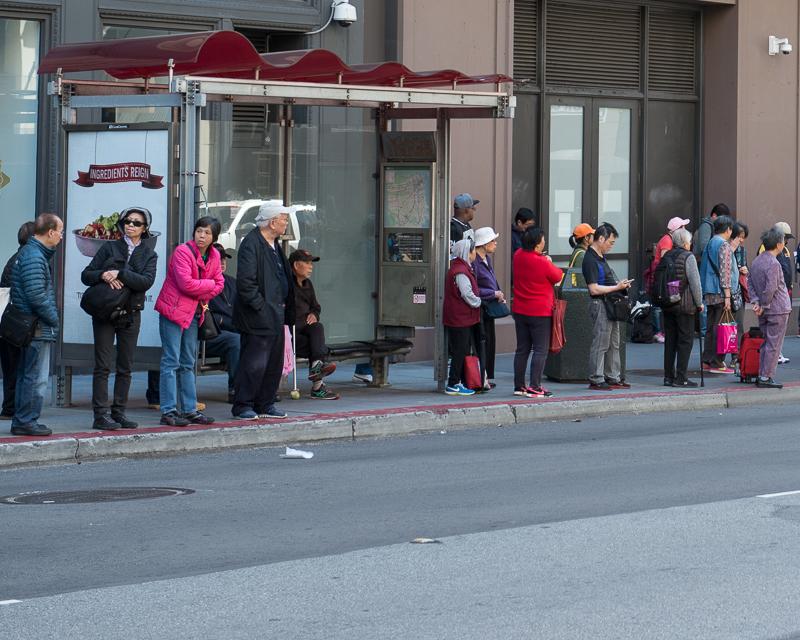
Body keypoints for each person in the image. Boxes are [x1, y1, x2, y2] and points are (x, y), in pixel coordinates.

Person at [81, 207, 157, 430]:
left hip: (131, 315)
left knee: (125, 366)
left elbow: (146, 282)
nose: (131, 225)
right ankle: (100, 415)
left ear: (144, 229)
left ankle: (119, 413)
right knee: (102, 365)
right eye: (128, 221)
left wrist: (120, 273)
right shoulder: (109, 247)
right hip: (105, 313)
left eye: (137, 223)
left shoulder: (149, 254)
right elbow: (86, 275)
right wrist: (103, 274)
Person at [155, 216, 224, 426]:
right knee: (171, 361)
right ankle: (168, 410)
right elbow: (186, 285)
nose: (202, 236)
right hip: (174, 312)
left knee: (188, 363)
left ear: (214, 237)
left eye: (207, 233)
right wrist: (208, 284)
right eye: (199, 231)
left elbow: (220, 284)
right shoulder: (183, 252)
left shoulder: (214, 255)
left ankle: (189, 409)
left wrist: (205, 284)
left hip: (194, 314)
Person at [232, 203, 296, 420]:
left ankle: (265, 403)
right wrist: (260, 307)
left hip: (276, 314)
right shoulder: (252, 244)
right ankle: (243, 405)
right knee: (254, 363)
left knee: (273, 363)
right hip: (258, 316)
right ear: (272, 222)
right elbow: (246, 284)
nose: (286, 223)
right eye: (284, 219)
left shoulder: (274, 244)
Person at [9, 213, 63, 436]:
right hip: (37, 327)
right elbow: (36, 295)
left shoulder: (31, 252)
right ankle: (26, 421)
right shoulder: (34, 256)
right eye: (60, 231)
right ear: (50, 232)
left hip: (31, 325)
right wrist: (54, 317)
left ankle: (24, 419)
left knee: (27, 375)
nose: (61, 236)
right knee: (35, 378)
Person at [582, 222, 634, 391]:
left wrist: (620, 286)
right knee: (601, 343)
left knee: (614, 343)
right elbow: (593, 288)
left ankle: (613, 376)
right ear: (601, 238)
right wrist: (617, 287)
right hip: (600, 304)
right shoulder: (589, 259)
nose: (611, 246)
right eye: (611, 242)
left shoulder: (600, 257)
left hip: (610, 303)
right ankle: (596, 378)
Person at [511, 227, 563, 397]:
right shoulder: (542, 262)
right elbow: (557, 276)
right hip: (540, 311)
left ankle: (519, 386)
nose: (544, 242)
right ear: (537, 245)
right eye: (542, 239)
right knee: (540, 349)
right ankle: (535, 385)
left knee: (522, 349)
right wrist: (548, 260)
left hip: (520, 309)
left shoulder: (517, 255)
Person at [289, 248, 339, 400]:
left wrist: (314, 314)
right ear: (296, 265)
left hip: (307, 333)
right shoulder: (286, 285)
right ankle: (317, 386)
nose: (311, 266)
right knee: (317, 346)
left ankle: (317, 367)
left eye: (312, 263)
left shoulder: (308, 283)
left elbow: (316, 307)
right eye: (307, 263)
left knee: (317, 327)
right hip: (290, 337)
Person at [0, 221, 35, 419]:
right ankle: (13, 408)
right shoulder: (27, 259)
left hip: (7, 321)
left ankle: (9, 407)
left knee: (11, 366)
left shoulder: (15, 258)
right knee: (19, 367)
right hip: (18, 322)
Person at [749, 227, 791, 388]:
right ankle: (766, 376)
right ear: (779, 244)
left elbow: (751, 283)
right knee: (774, 344)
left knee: (766, 342)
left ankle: (762, 374)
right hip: (778, 309)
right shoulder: (774, 264)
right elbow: (771, 288)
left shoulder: (757, 261)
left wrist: (756, 303)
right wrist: (763, 304)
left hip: (764, 309)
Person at [661, 228, 703, 387]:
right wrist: (699, 304)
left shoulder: (667, 256)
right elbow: (695, 283)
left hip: (668, 305)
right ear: (685, 243)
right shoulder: (688, 257)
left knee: (670, 341)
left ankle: (668, 376)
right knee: (685, 341)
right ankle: (681, 378)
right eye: (690, 242)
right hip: (685, 306)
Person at [203, 243, 241, 404]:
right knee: (235, 340)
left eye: (224, 258)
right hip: (208, 336)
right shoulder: (203, 282)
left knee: (260, 337)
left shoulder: (232, 282)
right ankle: (236, 389)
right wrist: (232, 323)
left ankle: (262, 389)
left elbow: (243, 310)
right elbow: (209, 317)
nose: (223, 262)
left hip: (233, 331)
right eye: (219, 259)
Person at [443, 238, 482, 396]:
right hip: (460, 317)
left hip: (460, 317)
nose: (474, 253)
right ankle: (453, 383)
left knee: (461, 350)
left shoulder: (460, 268)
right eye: (473, 250)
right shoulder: (460, 271)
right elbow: (466, 293)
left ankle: (457, 381)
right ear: (467, 252)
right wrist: (478, 301)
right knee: (460, 351)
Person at [700, 215, 736, 374]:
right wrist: (727, 295)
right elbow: (725, 271)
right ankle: (717, 361)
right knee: (720, 327)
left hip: (708, 289)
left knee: (710, 326)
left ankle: (707, 359)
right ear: (728, 229)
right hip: (720, 290)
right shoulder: (724, 245)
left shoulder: (709, 243)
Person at [473, 227, 505, 389]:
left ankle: (485, 376)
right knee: (482, 342)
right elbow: (474, 288)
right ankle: (480, 377)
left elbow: (492, 279)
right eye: (492, 240)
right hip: (480, 308)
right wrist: (493, 293)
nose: (495, 243)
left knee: (489, 343)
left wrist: (498, 293)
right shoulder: (475, 262)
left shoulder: (487, 259)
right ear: (484, 243)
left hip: (489, 307)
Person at [650, 216, 690, 344]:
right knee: (661, 303)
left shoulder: (668, 239)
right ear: (676, 230)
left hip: (665, 278)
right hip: (663, 279)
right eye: (682, 227)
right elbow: (666, 261)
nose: (684, 229)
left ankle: (663, 331)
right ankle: (659, 331)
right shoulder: (667, 240)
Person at [758, 222, 793, 363]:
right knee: (771, 330)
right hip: (773, 296)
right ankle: (770, 360)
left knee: (779, 329)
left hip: (784, 292)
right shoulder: (765, 250)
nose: (787, 241)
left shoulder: (785, 250)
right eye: (785, 238)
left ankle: (778, 353)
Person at [729, 222, 749, 371]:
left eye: (744, 237)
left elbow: (744, 268)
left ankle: (738, 356)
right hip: (727, 293)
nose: (741, 240)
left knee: (739, 325)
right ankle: (726, 356)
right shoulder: (725, 248)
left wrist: (745, 270)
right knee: (727, 327)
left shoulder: (742, 250)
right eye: (740, 237)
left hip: (739, 293)